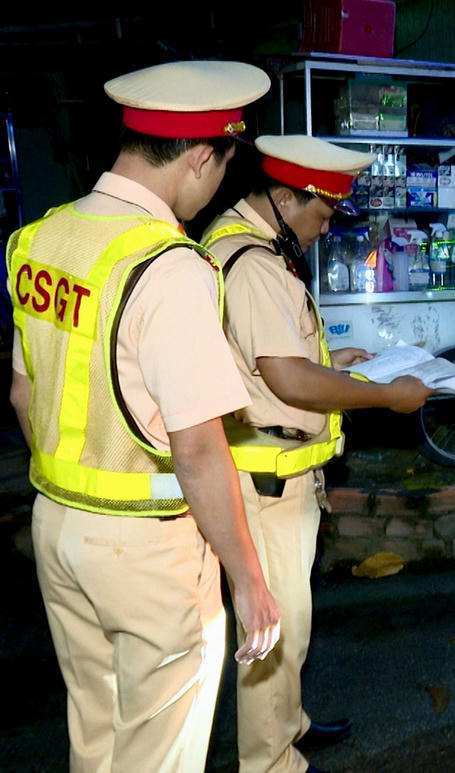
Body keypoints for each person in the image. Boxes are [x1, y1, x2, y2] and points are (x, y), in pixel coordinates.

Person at [5, 60, 280, 772]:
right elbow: (197, 446)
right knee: (159, 745)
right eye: (222, 165)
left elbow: (22, 394)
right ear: (198, 158)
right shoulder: (169, 269)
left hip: (57, 527)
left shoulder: (43, 239)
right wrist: (247, 577)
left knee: (95, 733)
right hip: (146, 549)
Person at [200, 134, 434, 773]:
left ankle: (289, 724)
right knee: (276, 633)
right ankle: (271, 761)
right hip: (266, 486)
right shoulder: (249, 263)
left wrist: (343, 365)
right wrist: (384, 395)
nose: (324, 229)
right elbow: (288, 380)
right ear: (284, 196)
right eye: (322, 214)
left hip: (279, 476)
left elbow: (285, 360)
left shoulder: (255, 248)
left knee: (290, 627)